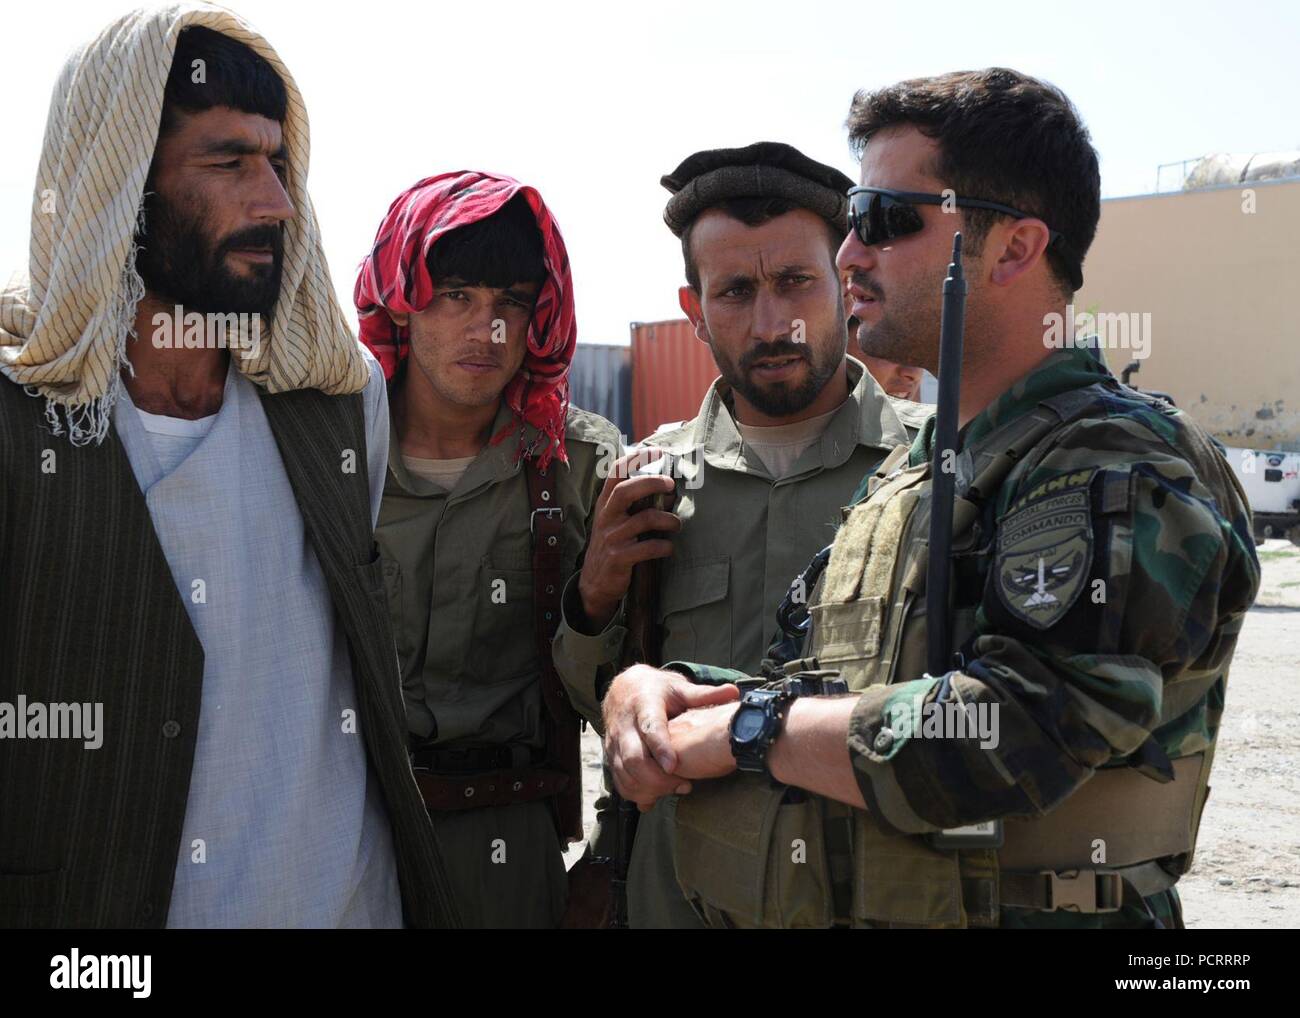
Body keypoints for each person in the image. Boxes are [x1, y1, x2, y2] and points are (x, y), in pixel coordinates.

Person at [600, 69, 1260, 929]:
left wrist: (743, 732)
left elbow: (1017, 728)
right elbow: (811, 688)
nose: (848, 255)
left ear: (1015, 248)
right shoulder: (918, 469)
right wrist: (660, 688)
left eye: (884, 220)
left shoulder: (1112, 457)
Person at [0, 8, 456, 928]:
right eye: (228, 162)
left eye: (279, 163)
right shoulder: (19, 427)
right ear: (120, 186)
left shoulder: (334, 402)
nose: (277, 202)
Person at [552, 141, 922, 927]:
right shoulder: (647, 478)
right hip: (675, 901)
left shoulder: (934, 467)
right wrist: (593, 599)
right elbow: (599, 713)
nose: (770, 321)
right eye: (735, 291)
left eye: (795, 282)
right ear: (694, 311)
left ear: (844, 284)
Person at [354, 172, 620, 928]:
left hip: (507, 857)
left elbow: (638, 686)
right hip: (341, 835)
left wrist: (606, 859)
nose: (489, 330)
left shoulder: (581, 467)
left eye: (511, 303)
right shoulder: (334, 453)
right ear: (402, 300)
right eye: (456, 297)